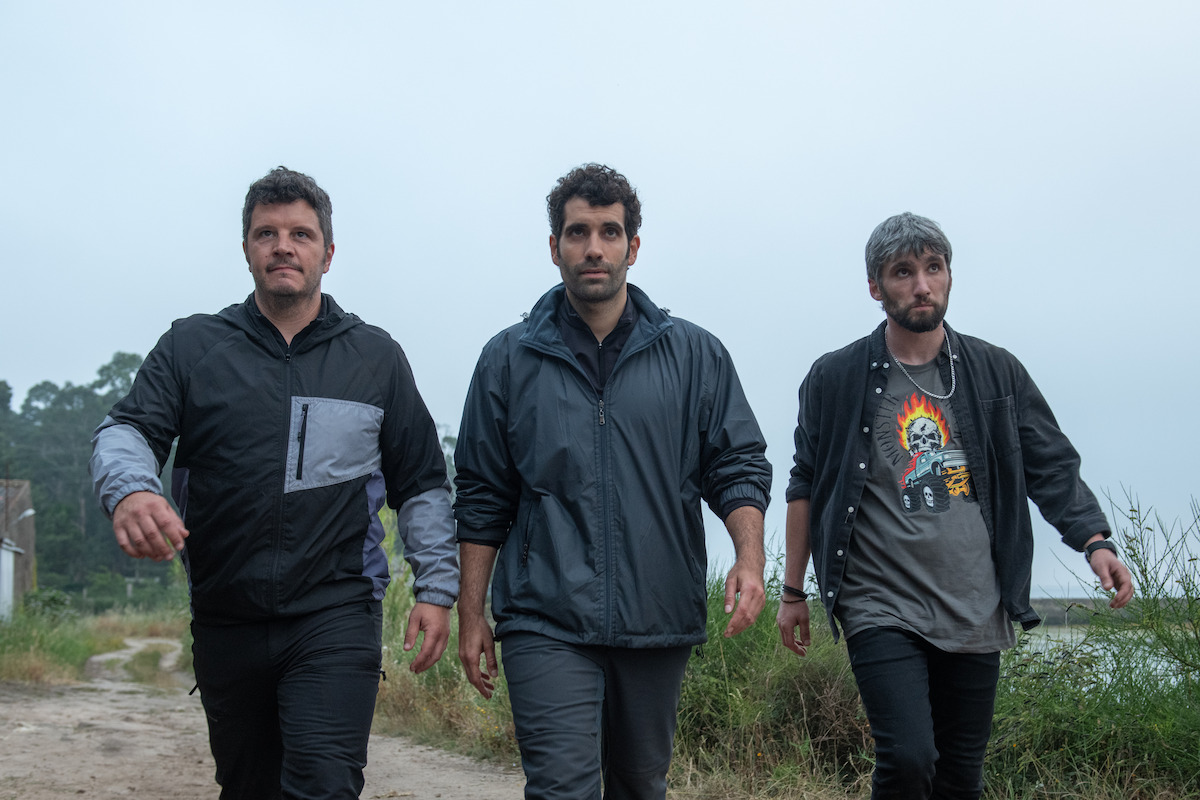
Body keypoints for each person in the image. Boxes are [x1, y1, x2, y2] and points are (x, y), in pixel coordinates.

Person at [89, 166, 459, 800]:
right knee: (249, 786)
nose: (283, 246)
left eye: (300, 234)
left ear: (328, 252)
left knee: (324, 780)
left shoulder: (375, 357)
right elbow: (126, 429)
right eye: (266, 233)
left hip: (335, 611)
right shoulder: (192, 346)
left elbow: (422, 482)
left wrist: (437, 587)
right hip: (225, 614)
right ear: (246, 249)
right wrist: (131, 488)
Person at [776, 212, 1134, 800]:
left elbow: (1051, 466)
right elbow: (805, 483)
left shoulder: (997, 372)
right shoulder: (834, 377)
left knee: (960, 775)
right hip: (879, 603)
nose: (921, 284)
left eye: (933, 268)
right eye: (903, 272)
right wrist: (793, 593)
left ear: (948, 275)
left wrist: (1094, 540)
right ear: (876, 287)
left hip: (974, 603)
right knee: (909, 757)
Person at [454, 163, 773, 800]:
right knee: (561, 787)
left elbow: (735, 465)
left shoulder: (695, 355)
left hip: (656, 614)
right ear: (554, 248)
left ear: (633, 245)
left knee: (638, 786)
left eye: (608, 231)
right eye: (577, 233)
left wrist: (750, 557)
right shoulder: (507, 360)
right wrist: (471, 613)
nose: (593, 248)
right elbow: (483, 494)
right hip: (542, 615)